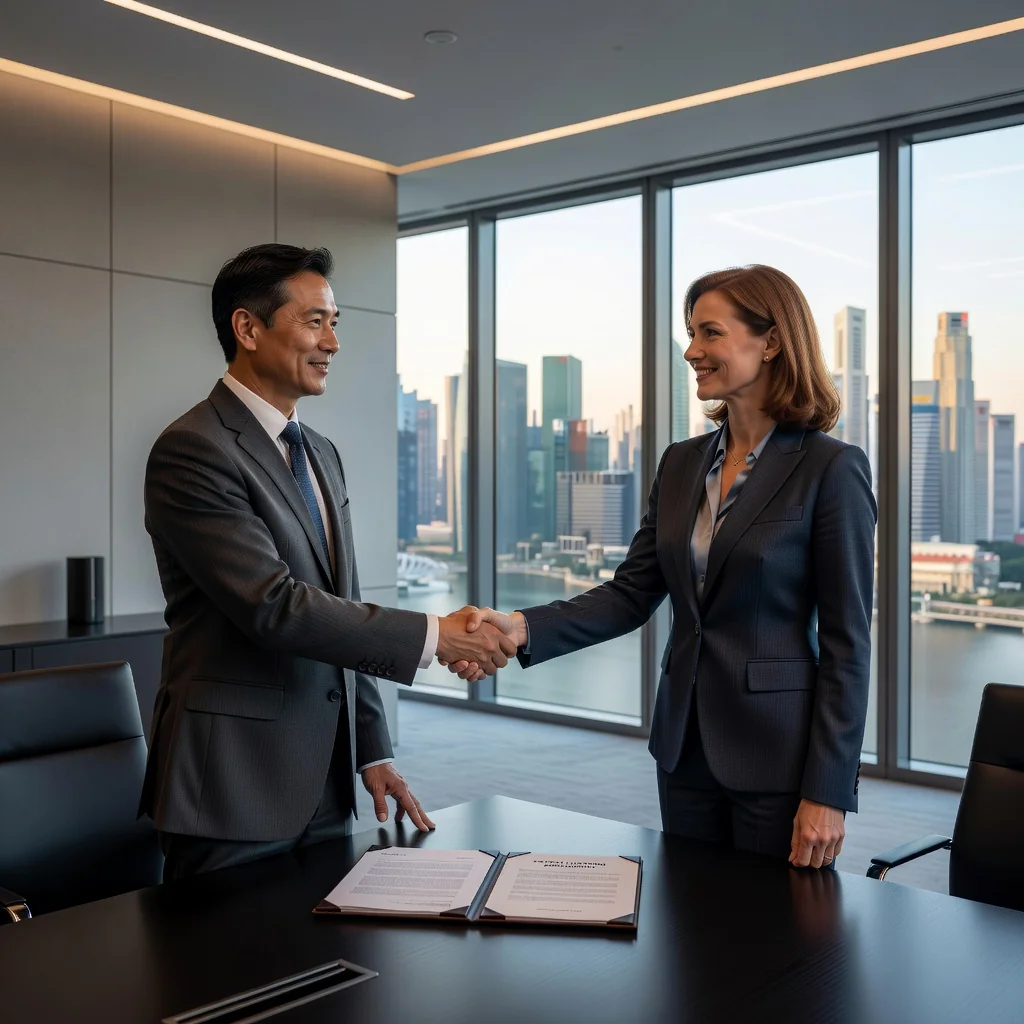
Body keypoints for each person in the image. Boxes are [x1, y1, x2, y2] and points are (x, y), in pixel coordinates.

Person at [446, 265, 877, 869]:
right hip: (684, 747)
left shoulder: (831, 468)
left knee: (777, 943)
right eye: (690, 333)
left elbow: (847, 645)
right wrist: (518, 626)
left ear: (772, 341)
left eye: (709, 333)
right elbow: (632, 593)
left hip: (779, 758)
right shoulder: (682, 463)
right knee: (692, 930)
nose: (691, 350)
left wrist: (828, 792)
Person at [140, 243, 515, 880]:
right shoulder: (193, 448)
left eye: (334, 323)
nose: (332, 342)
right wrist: (434, 636)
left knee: (321, 969)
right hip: (232, 782)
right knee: (221, 975)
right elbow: (275, 607)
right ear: (248, 328)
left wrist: (372, 748)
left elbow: (341, 604)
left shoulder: (320, 452)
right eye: (314, 321)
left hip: (324, 777)